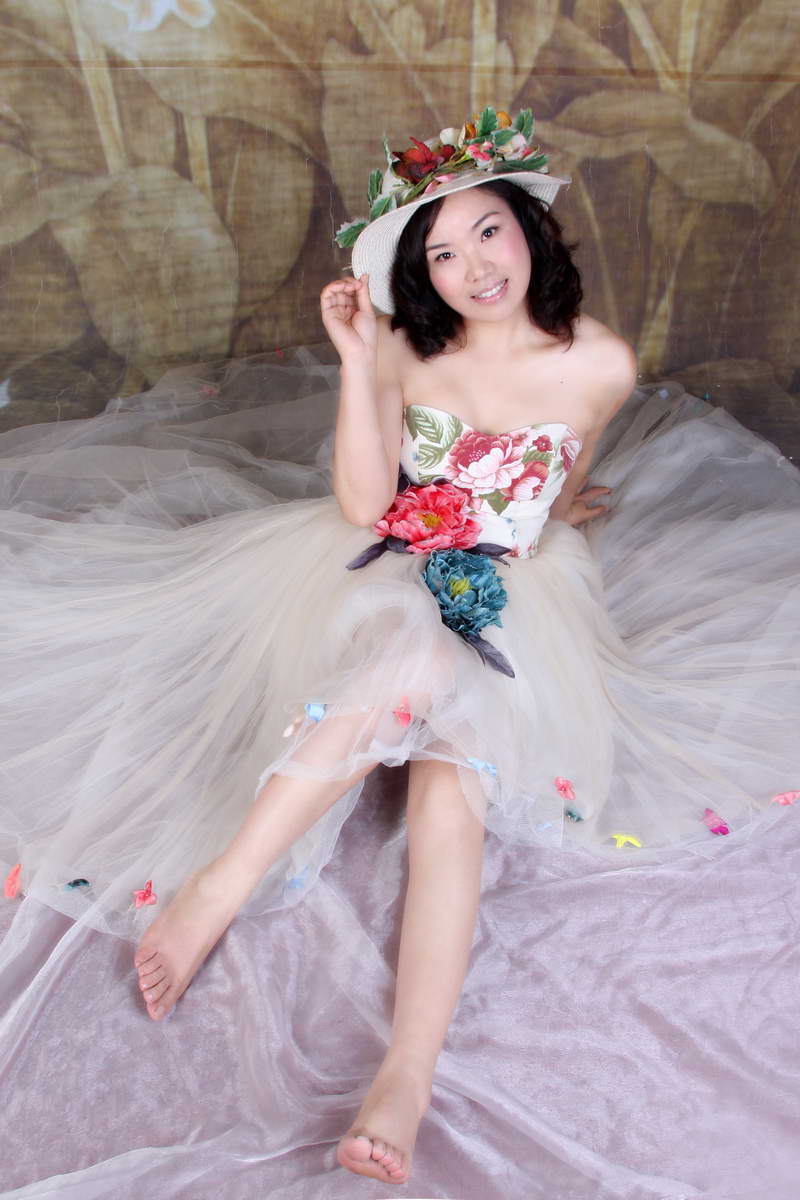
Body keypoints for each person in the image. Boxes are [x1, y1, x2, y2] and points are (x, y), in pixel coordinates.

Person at [2, 107, 798, 1189]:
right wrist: (355, 361)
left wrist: (553, 509)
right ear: (420, 274)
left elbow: (567, 463)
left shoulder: (601, 359)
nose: (475, 267)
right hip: (388, 562)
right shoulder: (408, 350)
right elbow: (364, 503)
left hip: (521, 587)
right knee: (413, 661)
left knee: (448, 796)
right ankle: (222, 885)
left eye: (488, 232)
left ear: (528, 229)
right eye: (443, 253)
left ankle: (405, 1076)